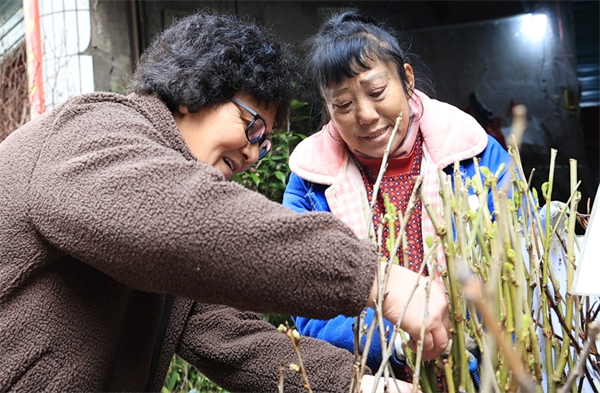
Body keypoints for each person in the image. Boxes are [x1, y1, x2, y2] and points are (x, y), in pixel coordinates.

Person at [0, 10, 449, 393]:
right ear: (196, 89)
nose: (254, 153)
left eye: (265, 142)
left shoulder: (167, 230)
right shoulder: (91, 128)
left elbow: (234, 339)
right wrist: (376, 277)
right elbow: (182, 217)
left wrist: (364, 385)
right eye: (253, 126)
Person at [283, 10, 510, 382]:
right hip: (376, 380)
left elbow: (520, 271)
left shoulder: (475, 154)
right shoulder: (311, 183)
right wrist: (394, 338)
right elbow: (307, 303)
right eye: (342, 104)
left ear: (406, 78)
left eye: (376, 92)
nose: (366, 115)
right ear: (327, 108)